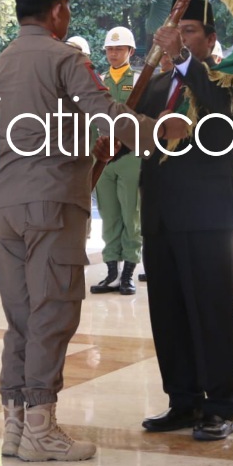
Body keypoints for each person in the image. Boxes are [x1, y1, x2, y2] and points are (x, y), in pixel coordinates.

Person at [0, 0, 189, 461]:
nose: (69, 14)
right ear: (56, 10)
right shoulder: (64, 57)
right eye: (67, 6)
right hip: (50, 205)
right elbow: (103, 111)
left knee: (21, 318)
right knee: (52, 313)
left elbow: (17, 134)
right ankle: (40, 430)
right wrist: (158, 131)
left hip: (5, 206)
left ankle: (15, 427)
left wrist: (82, 150)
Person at [136, 0, 233, 441]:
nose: (180, 38)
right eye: (176, 31)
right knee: (169, 314)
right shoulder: (157, 85)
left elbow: (216, 113)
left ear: (211, 39)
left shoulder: (225, 79)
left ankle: (219, 405)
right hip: (160, 215)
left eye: (191, 31)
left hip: (206, 218)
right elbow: (138, 134)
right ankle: (183, 400)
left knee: (211, 312)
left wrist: (180, 57)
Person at [91, 26, 143, 296]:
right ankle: (112, 272)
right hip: (104, 159)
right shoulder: (98, 81)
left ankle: (128, 274)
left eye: (119, 49)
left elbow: (144, 121)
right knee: (109, 215)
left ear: (130, 51)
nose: (113, 53)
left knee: (130, 215)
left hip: (130, 157)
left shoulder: (140, 81)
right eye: (110, 49)